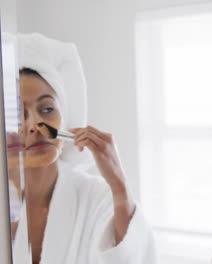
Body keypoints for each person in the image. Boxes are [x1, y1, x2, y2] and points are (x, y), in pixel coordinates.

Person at [9, 33, 157, 264]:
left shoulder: (97, 197)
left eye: (47, 109)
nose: (35, 126)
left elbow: (132, 258)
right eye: (18, 115)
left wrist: (118, 183)